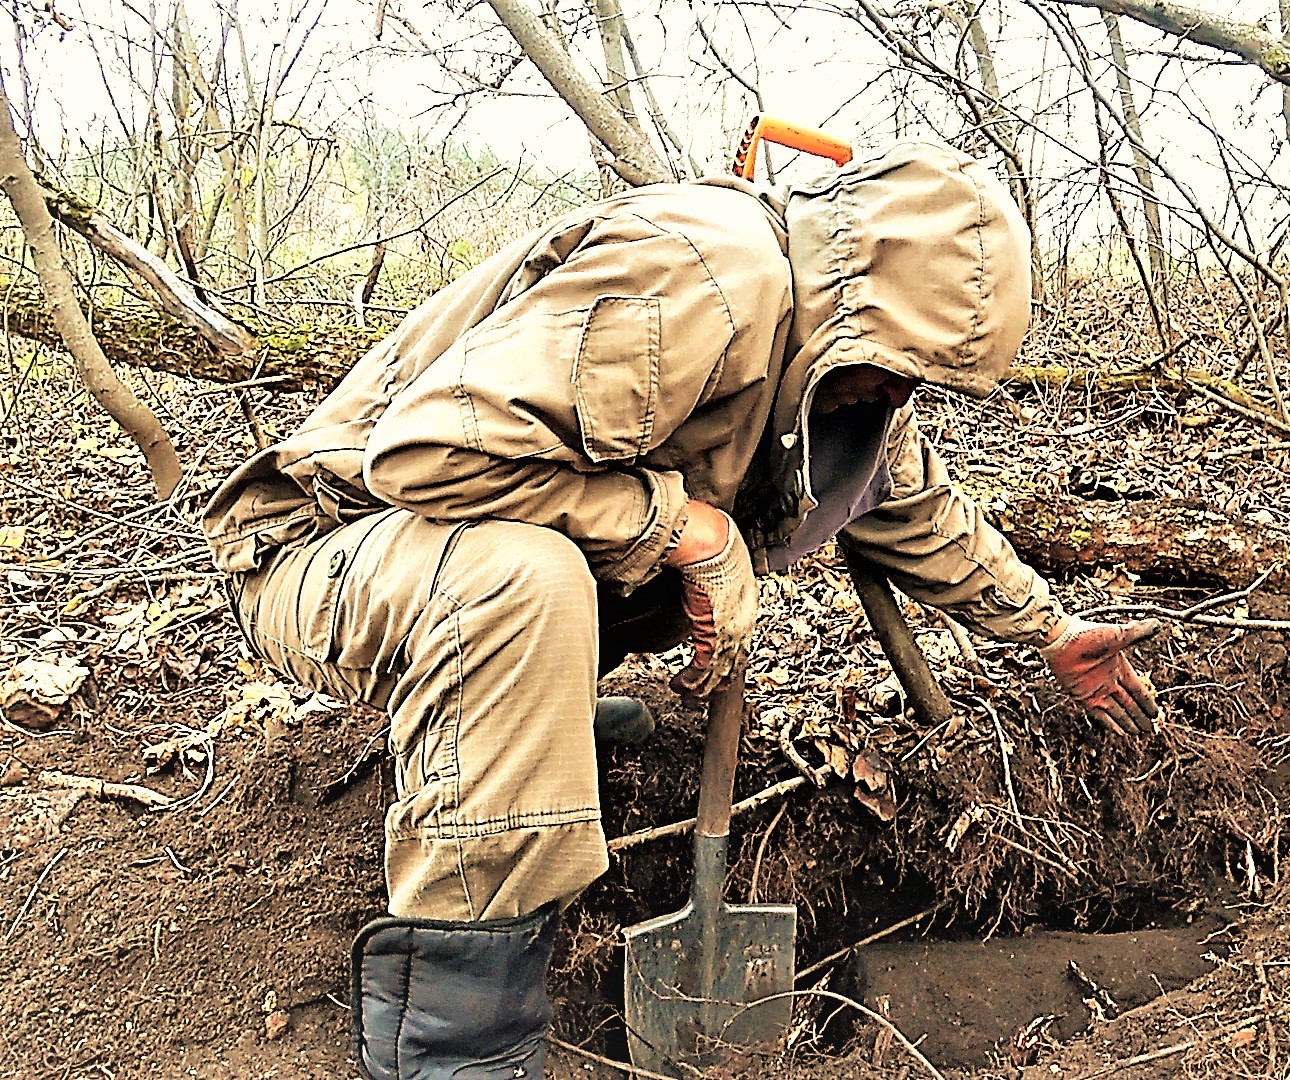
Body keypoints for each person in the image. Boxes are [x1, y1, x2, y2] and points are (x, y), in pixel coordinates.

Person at [201, 139, 1160, 1079]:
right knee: (531, 580)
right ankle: (459, 1041)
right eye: (897, 366)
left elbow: (906, 505)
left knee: (648, 561)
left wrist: (1049, 630)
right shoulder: (707, 275)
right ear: (856, 300)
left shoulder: (830, 366)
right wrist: (680, 527)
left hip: (436, 552)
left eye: (919, 378)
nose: (897, 392)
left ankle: (536, 722)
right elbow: (421, 458)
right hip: (319, 549)